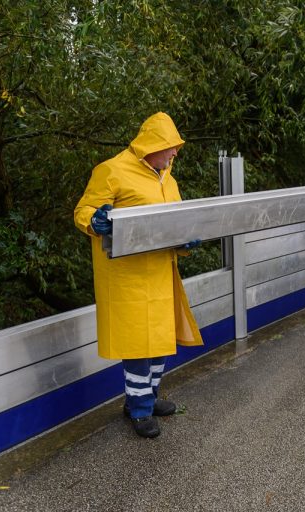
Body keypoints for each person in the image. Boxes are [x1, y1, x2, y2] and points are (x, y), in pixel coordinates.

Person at [74, 112, 204, 439]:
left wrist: (185, 239)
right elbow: (83, 211)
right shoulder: (112, 170)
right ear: (153, 145)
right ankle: (140, 408)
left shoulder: (168, 178)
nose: (175, 153)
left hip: (161, 272)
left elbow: (173, 221)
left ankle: (145, 397)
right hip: (126, 277)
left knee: (159, 339)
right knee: (137, 345)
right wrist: (96, 221)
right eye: (171, 147)